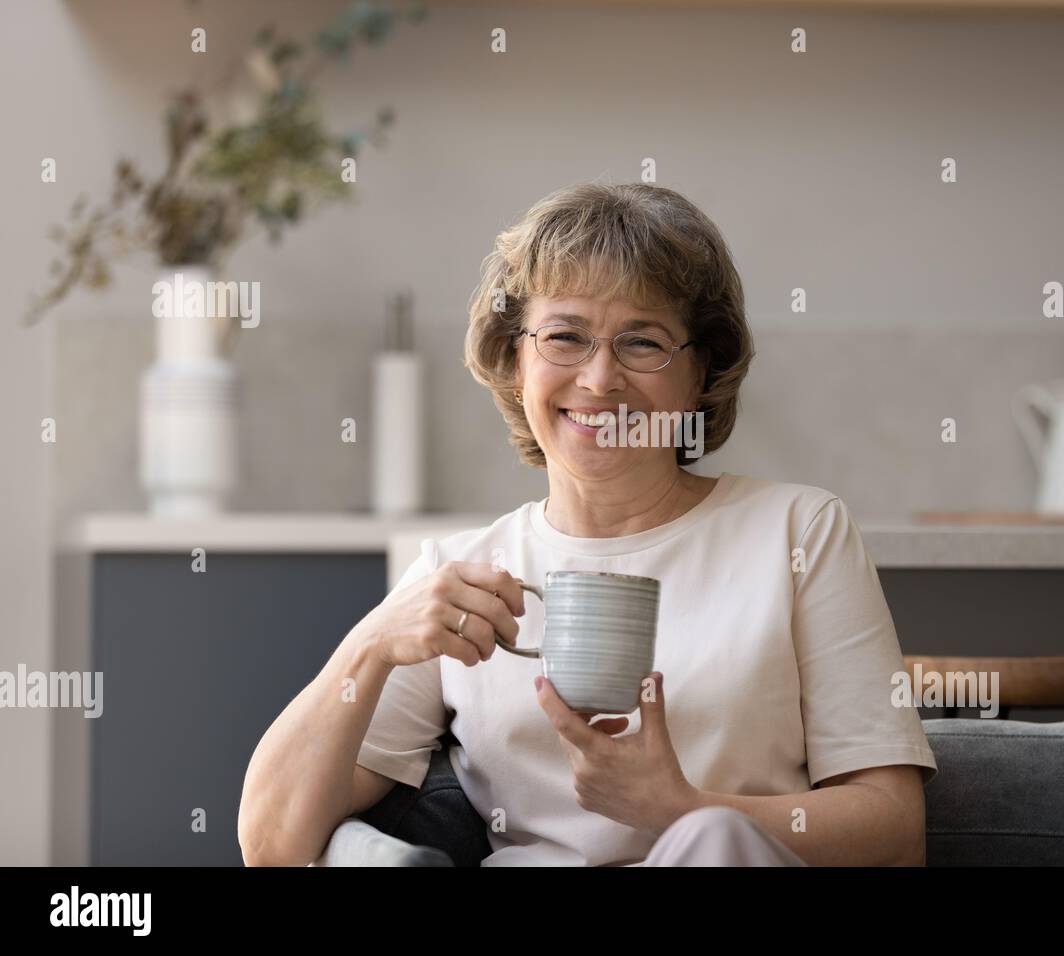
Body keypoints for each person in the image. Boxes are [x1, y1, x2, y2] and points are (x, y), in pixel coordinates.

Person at [238, 182, 938, 867]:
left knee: (713, 842)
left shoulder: (798, 532)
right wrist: (370, 645)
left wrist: (682, 808)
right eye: (565, 336)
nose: (601, 380)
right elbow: (271, 845)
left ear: (700, 375)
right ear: (516, 362)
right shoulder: (461, 575)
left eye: (642, 343)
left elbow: (894, 831)